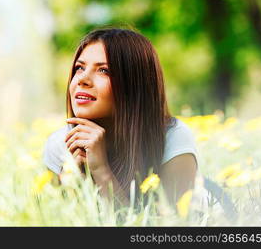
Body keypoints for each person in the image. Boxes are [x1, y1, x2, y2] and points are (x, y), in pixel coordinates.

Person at [43, 28, 199, 207]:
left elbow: (171, 229)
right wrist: (73, 179)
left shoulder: (173, 140)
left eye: (104, 70)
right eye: (80, 68)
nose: (82, 79)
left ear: (135, 85)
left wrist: (101, 170)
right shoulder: (60, 144)